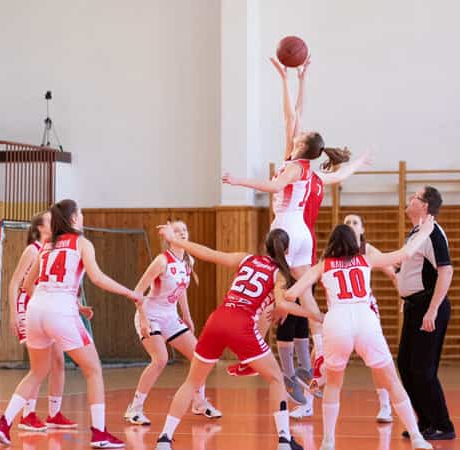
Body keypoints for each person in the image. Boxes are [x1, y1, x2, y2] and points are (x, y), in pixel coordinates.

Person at [222, 54, 370, 404]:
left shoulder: (295, 168)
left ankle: (251, 355)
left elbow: (274, 189)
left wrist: (238, 180)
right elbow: (295, 115)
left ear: (301, 146)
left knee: (266, 294)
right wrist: (294, 80)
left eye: (298, 135)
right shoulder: (315, 172)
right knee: (304, 295)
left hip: (285, 231)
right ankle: (321, 354)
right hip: (305, 234)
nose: (295, 130)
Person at [0, 199, 144, 449]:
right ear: (74, 219)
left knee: (37, 372)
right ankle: (99, 433)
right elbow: (97, 278)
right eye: (80, 213)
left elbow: (28, 285)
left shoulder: (47, 246)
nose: (82, 216)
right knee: (93, 370)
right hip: (59, 311)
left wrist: (64, 301)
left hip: (35, 309)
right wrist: (130, 293)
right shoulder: (82, 243)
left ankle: (4, 423)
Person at [153, 226, 322, 450]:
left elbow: (209, 253)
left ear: (265, 246)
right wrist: (314, 314)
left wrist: (175, 240)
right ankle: (284, 440)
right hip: (241, 324)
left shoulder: (246, 258)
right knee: (275, 378)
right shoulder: (280, 273)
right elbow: (282, 305)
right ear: (287, 250)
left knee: (192, 382)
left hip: (217, 319)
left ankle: (164, 439)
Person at [285, 220, 438, 450]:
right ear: (353, 243)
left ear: (332, 244)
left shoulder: (323, 265)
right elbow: (404, 254)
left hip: (337, 320)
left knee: (334, 385)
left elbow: (292, 293)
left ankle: (328, 441)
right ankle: (417, 437)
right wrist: (425, 232)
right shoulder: (365, 258)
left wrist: (281, 290)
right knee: (392, 381)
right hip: (365, 319)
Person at [124, 220, 220, 425]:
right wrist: (142, 318)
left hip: (170, 316)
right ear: (169, 236)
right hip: (150, 314)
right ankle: (135, 407)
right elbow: (137, 292)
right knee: (160, 359)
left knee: (200, 356)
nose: (182, 233)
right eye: (177, 231)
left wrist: (187, 316)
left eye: (185, 230)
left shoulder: (188, 261)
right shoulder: (161, 261)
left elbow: (182, 290)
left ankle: (199, 402)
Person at [8, 211, 81, 432]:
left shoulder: (56, 248)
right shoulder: (33, 250)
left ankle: (54, 413)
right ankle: (27, 414)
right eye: (50, 221)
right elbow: (14, 283)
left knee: (58, 362)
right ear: (40, 228)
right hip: (30, 306)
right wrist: (13, 313)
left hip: (49, 307)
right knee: (40, 365)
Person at [396, 186, 455, 440]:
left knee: (423, 369)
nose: (409, 200)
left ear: (425, 206)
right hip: (414, 307)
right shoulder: (416, 233)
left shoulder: (433, 234)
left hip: (428, 308)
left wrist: (431, 310)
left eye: (415, 197)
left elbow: (446, 271)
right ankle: (426, 422)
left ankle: (443, 425)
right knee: (407, 366)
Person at [343, 213, 398, 423]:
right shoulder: (332, 250)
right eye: (347, 222)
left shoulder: (367, 249)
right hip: (341, 312)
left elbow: (391, 272)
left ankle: (385, 406)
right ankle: (308, 404)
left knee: (376, 360)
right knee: (320, 355)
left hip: (365, 310)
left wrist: (405, 297)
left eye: (355, 222)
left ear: (362, 230)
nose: (350, 225)